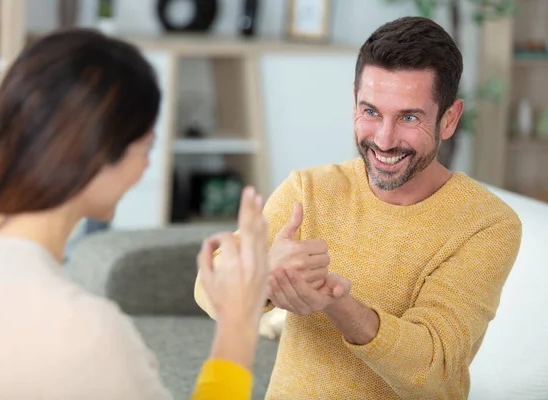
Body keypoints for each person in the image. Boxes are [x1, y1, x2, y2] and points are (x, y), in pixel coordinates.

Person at [195, 16, 523, 400]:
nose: (384, 140)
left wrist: (340, 306)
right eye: (371, 112)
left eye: (409, 117)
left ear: (449, 119)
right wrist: (263, 274)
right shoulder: (310, 188)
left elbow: (436, 373)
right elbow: (207, 289)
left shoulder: (486, 224)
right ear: (354, 103)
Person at [0, 29, 271, 400]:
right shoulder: (86, 331)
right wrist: (238, 323)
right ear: (98, 153)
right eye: (145, 147)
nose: (147, 165)